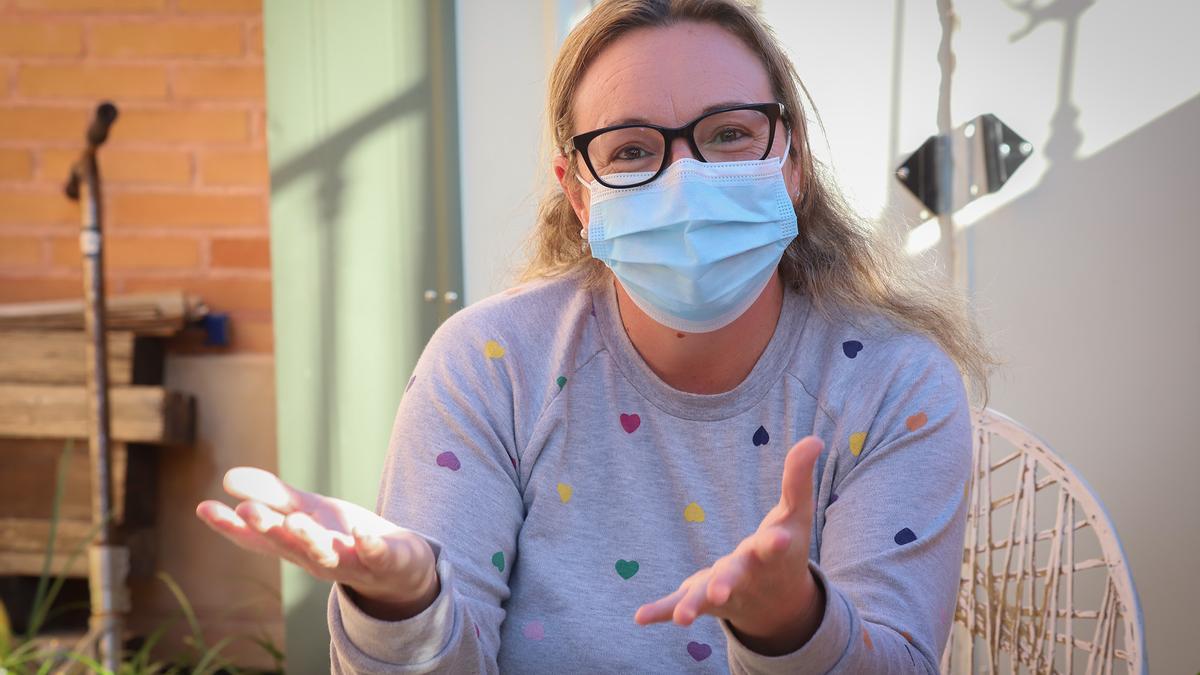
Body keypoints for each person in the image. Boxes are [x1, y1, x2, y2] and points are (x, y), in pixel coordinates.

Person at [197, 0, 995, 672]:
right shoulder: (490, 365)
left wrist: (792, 619)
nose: (684, 176)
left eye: (727, 135)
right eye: (632, 151)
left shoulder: (896, 383)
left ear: (792, 161)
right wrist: (406, 599)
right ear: (577, 195)